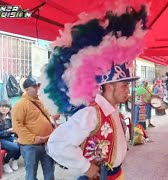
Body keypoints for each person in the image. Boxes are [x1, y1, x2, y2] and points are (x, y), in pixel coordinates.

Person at [43, 4, 148, 180]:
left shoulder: (114, 112)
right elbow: (56, 143)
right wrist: (86, 167)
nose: (128, 91)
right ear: (109, 86)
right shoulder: (91, 114)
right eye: (124, 86)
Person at [12, 77, 59, 180]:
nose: (37, 88)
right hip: (31, 146)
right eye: (34, 86)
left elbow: (44, 116)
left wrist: (52, 118)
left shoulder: (39, 101)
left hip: (46, 143)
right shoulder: (20, 105)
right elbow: (17, 126)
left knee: (49, 172)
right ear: (27, 89)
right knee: (31, 174)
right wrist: (34, 138)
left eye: (38, 85)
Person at [0, 99, 20, 173]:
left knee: (22, 142)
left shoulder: (10, 117)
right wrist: (7, 131)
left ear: (9, 108)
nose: (4, 108)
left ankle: (15, 159)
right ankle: (5, 162)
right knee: (14, 147)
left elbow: (15, 127)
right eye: (2, 106)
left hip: (8, 137)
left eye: (6, 107)